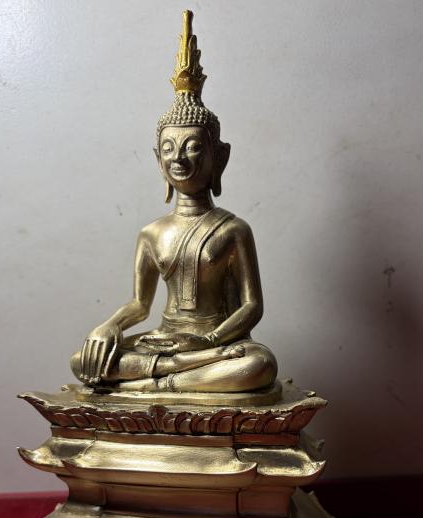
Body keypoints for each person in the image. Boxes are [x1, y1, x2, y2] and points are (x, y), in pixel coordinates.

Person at [71, 11, 277, 393]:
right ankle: (175, 375)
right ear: (158, 160)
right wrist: (110, 325)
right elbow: (140, 304)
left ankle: (152, 385)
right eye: (168, 148)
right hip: (165, 341)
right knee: (84, 360)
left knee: (259, 365)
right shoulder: (152, 233)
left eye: (192, 146)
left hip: (214, 342)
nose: (178, 158)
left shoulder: (233, 230)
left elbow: (252, 307)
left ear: (220, 157)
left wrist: (209, 341)